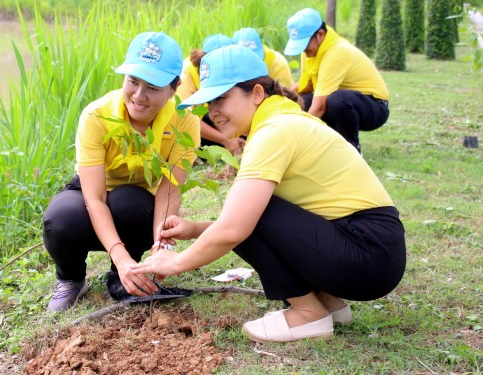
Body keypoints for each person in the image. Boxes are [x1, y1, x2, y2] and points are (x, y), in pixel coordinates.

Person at [131, 45, 406, 343]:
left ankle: (307, 315)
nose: (214, 112)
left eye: (222, 98)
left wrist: (175, 263)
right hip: (372, 251)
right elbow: (278, 223)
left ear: (258, 94)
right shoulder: (283, 121)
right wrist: (196, 229)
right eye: (209, 103)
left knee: (249, 212)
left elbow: (237, 227)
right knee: (252, 210)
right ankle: (327, 303)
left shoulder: (274, 132)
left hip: (367, 256)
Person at [42, 31, 200, 312]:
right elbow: (95, 199)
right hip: (94, 193)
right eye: (133, 82)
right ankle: (71, 279)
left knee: (130, 201)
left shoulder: (185, 124)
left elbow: (168, 189)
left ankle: (126, 274)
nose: (139, 96)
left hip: (139, 202)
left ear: (174, 88)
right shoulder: (97, 116)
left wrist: (161, 246)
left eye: (153, 87)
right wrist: (118, 252)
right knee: (60, 219)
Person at [284, 8, 390, 154]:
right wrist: (281, 95)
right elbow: (306, 86)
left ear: (320, 35)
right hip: (347, 100)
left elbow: (319, 107)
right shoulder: (310, 51)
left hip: (374, 107)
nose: (303, 51)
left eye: (305, 45)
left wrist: (298, 140)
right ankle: (327, 145)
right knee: (302, 102)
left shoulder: (337, 52)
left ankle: (352, 149)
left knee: (336, 100)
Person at [178, 33, 246, 155]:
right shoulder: (184, 76)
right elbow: (185, 119)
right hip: (182, 125)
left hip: (205, 113)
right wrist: (225, 140)